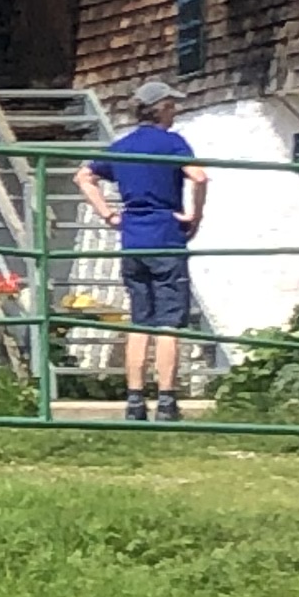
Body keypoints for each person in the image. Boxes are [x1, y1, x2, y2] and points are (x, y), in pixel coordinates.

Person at [86, 75, 209, 421]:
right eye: (173, 106)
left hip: (132, 240)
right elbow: (199, 177)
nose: (175, 113)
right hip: (166, 236)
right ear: (162, 109)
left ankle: (135, 401)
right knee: (168, 323)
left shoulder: (122, 146)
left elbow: (84, 176)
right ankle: (167, 401)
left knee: (141, 320)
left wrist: (109, 215)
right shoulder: (171, 143)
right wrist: (194, 216)